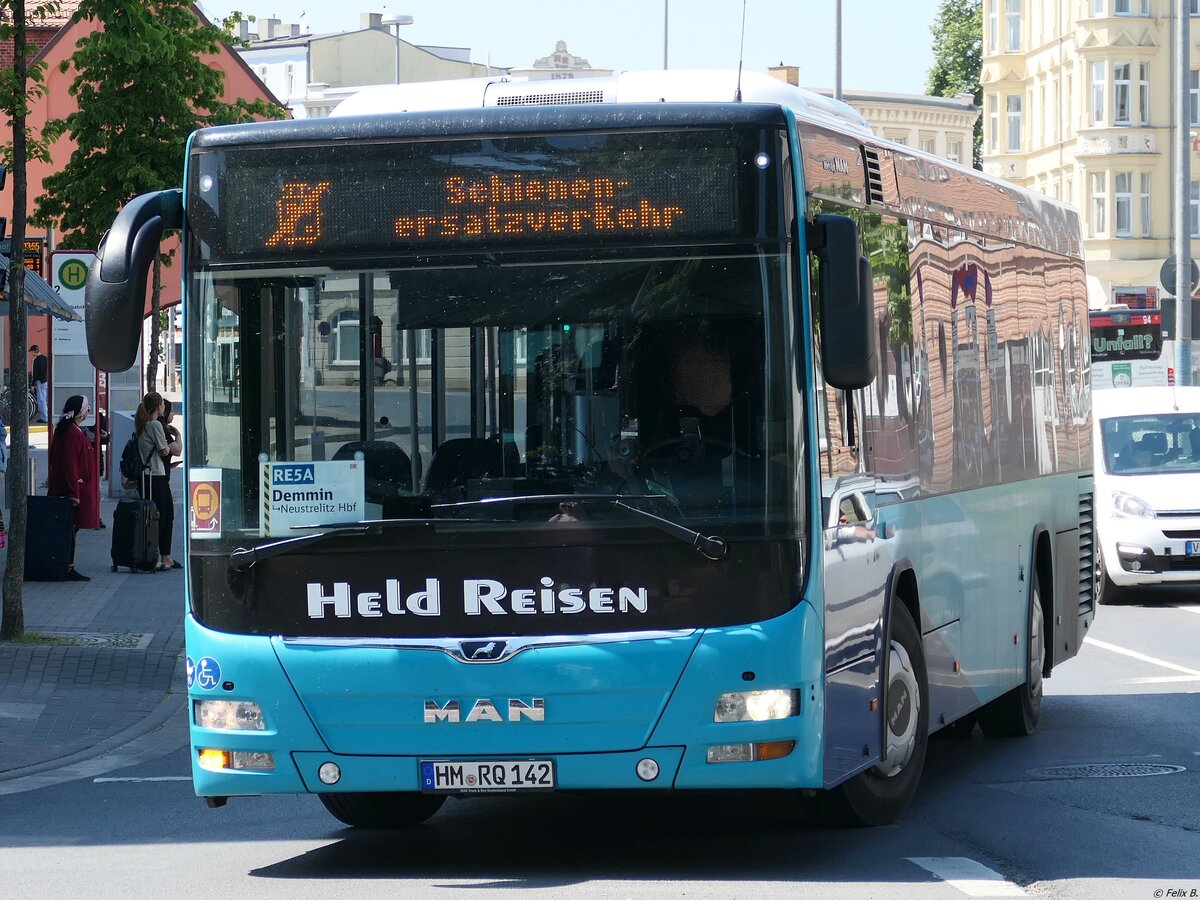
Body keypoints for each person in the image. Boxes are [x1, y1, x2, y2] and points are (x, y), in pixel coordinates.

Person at [47, 395, 94, 581]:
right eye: (87, 409)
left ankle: (64, 564)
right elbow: (70, 463)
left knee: (68, 529)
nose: (88, 412)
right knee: (69, 529)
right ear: (80, 412)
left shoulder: (64, 430)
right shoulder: (72, 433)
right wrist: (74, 492)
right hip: (71, 490)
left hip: (63, 487)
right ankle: (66, 566)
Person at [135, 391, 182, 570]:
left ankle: (165, 556)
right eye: (162, 403)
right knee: (160, 517)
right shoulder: (154, 424)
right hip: (155, 476)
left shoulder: (144, 423)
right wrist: (172, 442)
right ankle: (155, 557)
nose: (165, 407)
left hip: (153, 476)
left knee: (167, 514)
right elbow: (164, 451)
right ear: (158, 406)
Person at [29, 345, 48, 423]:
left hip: (40, 381)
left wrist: (33, 384)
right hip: (45, 380)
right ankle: (46, 416)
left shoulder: (35, 360)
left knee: (41, 400)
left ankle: (44, 418)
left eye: (31, 352)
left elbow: (35, 373)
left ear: (33, 352)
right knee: (45, 400)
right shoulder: (45, 358)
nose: (31, 353)